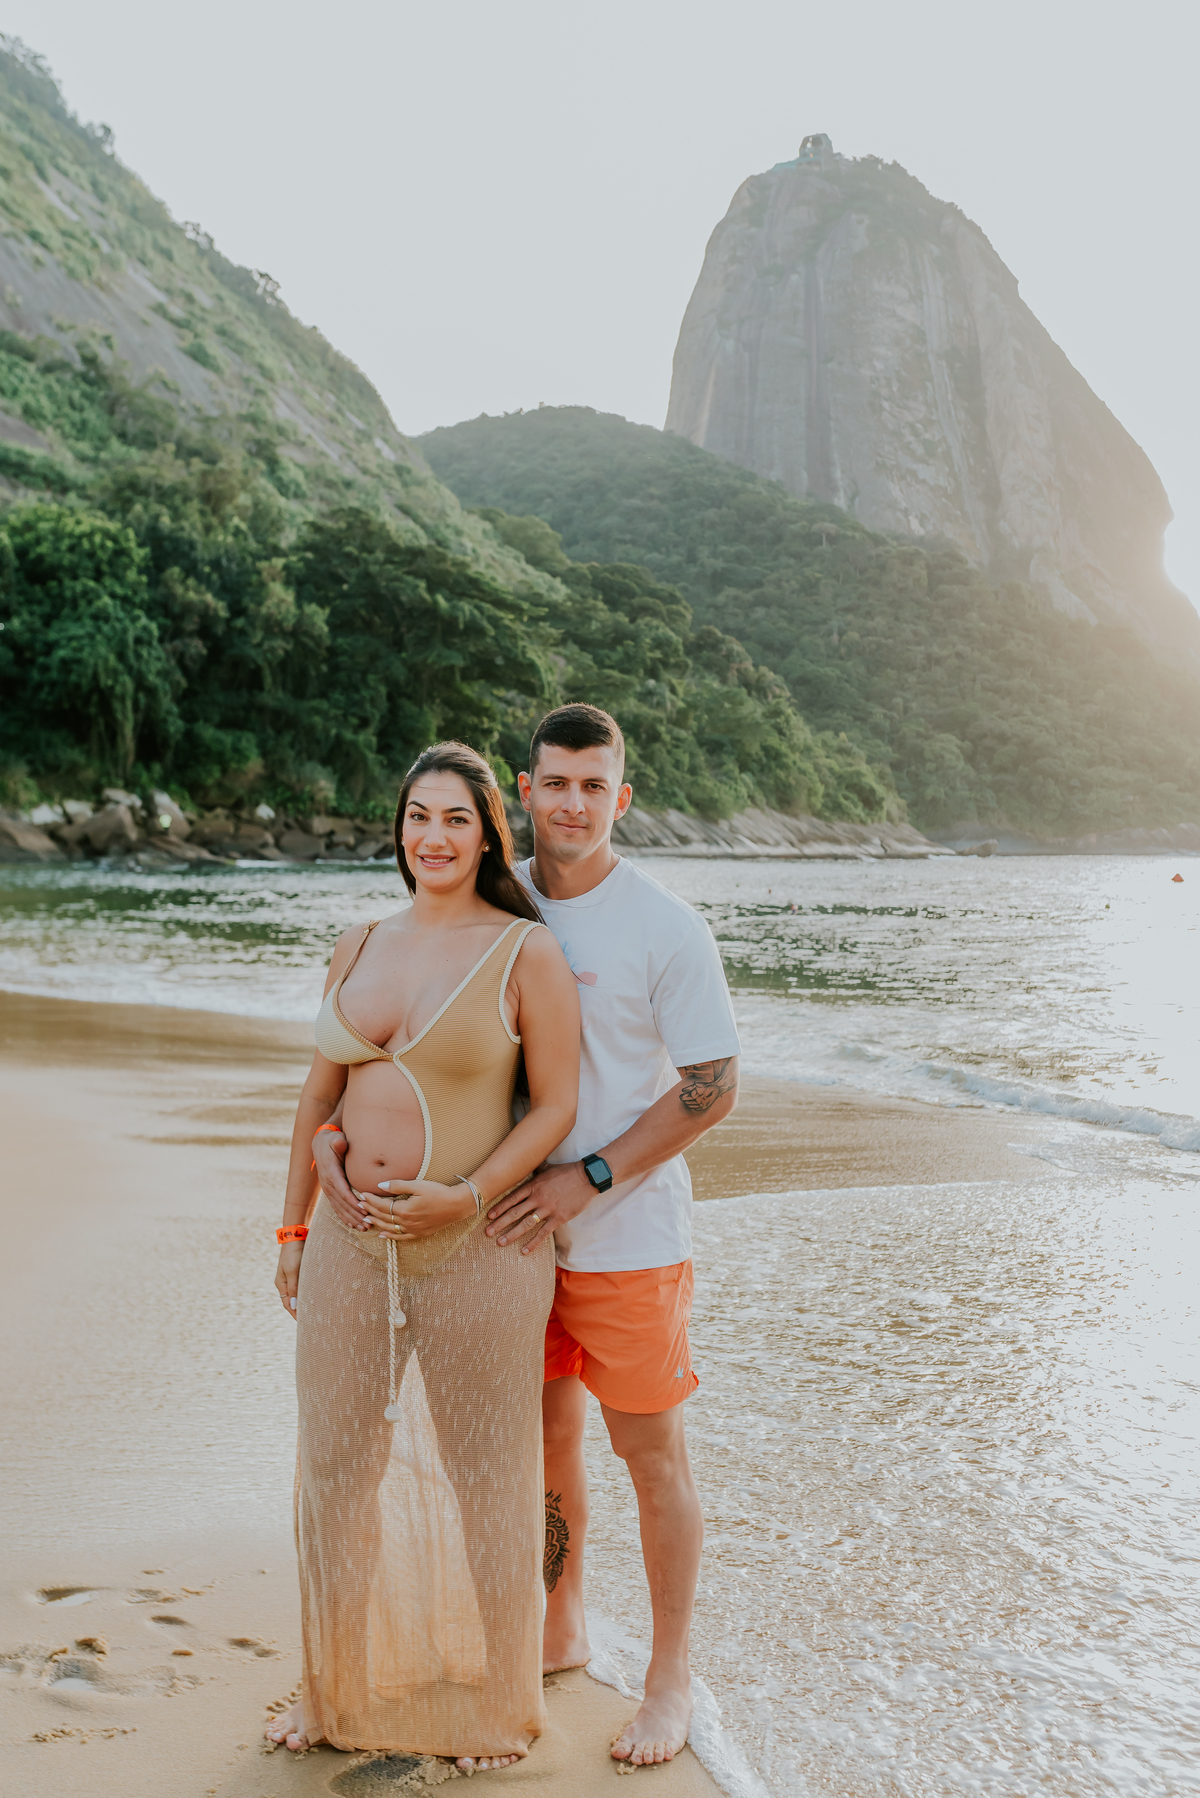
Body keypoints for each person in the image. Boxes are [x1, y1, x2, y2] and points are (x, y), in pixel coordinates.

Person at [316, 704, 741, 1769]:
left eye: (595, 786)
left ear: (621, 798)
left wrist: (590, 1175)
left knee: (652, 1457)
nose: (573, 803)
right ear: (525, 791)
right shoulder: (503, 908)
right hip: (508, 1243)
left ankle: (670, 1679)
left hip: (627, 1236)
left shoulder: (664, 926)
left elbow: (713, 1085)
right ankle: (558, 1629)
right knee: (540, 1452)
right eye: (556, 783)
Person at [267, 741, 579, 1774]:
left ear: (489, 832)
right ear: (397, 829)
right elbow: (320, 1098)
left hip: (480, 1245)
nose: (432, 837)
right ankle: (329, 1691)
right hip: (352, 1245)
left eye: (454, 818)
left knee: (488, 1473)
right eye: (416, 816)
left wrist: (468, 1194)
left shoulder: (523, 952)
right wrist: (294, 1227)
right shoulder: (358, 943)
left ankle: (500, 1702)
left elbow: (561, 1107)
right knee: (333, 1470)